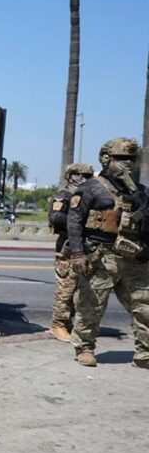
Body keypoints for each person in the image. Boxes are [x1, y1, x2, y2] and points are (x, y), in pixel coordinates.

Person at [66, 138, 149, 369]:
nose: (128, 164)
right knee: (91, 306)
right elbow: (74, 222)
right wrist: (77, 254)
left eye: (132, 159)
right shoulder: (92, 188)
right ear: (106, 159)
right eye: (122, 159)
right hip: (101, 257)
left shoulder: (141, 192)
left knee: (145, 307)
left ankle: (145, 354)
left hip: (135, 259)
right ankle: (84, 348)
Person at [47, 162, 94, 342]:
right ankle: (58, 325)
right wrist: (81, 220)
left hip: (82, 247)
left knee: (79, 290)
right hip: (67, 247)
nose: (85, 179)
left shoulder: (85, 196)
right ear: (71, 176)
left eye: (88, 176)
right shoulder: (64, 196)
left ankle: (68, 323)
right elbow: (56, 218)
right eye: (81, 175)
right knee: (66, 288)